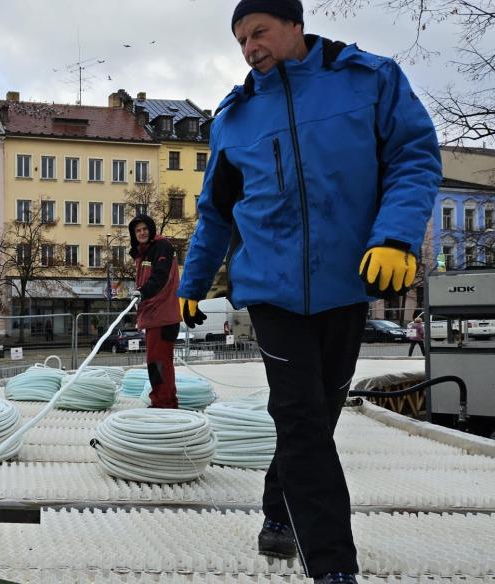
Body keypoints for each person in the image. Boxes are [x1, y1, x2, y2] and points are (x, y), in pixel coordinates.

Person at [176, 1, 441, 583]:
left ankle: (279, 510)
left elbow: (414, 157)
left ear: (295, 26)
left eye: (259, 32)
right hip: (271, 289)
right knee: (298, 416)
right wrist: (191, 285)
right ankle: (332, 567)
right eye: (241, 39)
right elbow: (215, 212)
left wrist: (396, 235)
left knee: (317, 415)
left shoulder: (369, 80)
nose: (249, 48)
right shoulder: (236, 117)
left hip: (349, 281)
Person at [129, 214, 180, 409]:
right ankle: (162, 400)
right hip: (154, 317)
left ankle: (164, 403)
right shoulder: (145, 252)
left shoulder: (161, 247)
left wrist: (142, 293)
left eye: (144, 229)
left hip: (163, 316)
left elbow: (160, 276)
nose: (141, 233)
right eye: (137, 230)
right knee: (155, 362)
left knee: (159, 363)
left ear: (151, 229)